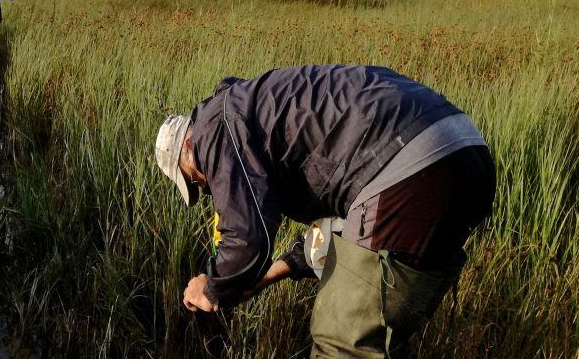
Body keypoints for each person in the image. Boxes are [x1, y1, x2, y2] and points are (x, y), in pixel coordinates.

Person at [153, 65, 495, 359]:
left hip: (408, 169)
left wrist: (212, 285)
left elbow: (246, 241)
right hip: (465, 153)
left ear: (188, 144)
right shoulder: (264, 110)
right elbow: (340, 228)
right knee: (381, 338)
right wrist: (268, 276)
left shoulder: (216, 128)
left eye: (194, 179)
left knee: (342, 338)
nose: (206, 187)